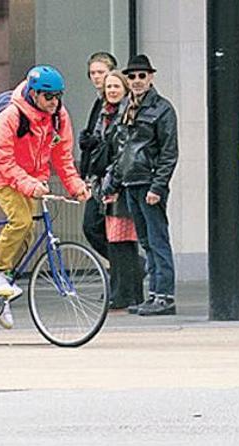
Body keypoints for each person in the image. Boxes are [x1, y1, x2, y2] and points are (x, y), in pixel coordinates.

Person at [0, 65, 91, 328]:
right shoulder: (11, 116)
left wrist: (76, 186)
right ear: (33, 93)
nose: (54, 102)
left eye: (58, 96)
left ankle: (1, 288)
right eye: (48, 96)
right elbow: (4, 160)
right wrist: (29, 184)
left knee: (27, 233)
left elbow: (63, 157)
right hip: (1, 174)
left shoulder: (58, 117)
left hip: (32, 177)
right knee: (20, 221)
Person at [101, 54, 178, 316]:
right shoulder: (127, 108)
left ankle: (164, 296)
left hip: (148, 183)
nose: (136, 81)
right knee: (146, 241)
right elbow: (121, 150)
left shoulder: (162, 109)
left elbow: (169, 152)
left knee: (157, 240)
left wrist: (158, 187)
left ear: (150, 77)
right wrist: (113, 181)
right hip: (131, 182)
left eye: (141, 76)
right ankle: (156, 294)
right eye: (132, 76)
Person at [96, 71, 144, 311]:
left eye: (116, 86)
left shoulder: (127, 114)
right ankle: (130, 293)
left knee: (122, 241)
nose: (112, 90)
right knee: (118, 240)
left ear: (125, 89)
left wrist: (111, 183)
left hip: (121, 183)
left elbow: (123, 152)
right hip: (113, 180)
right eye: (108, 87)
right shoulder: (105, 113)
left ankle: (123, 294)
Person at [78, 52, 117, 260]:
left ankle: (131, 268)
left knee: (97, 227)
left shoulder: (116, 103)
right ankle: (124, 271)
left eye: (100, 72)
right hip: (97, 174)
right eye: (92, 73)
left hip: (109, 175)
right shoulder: (98, 103)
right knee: (97, 228)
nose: (96, 77)